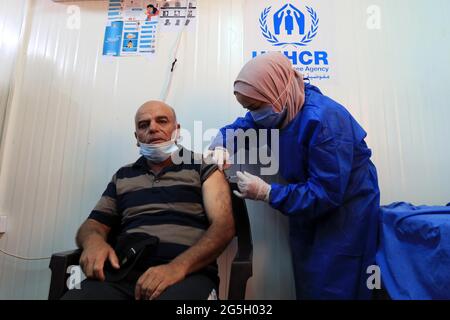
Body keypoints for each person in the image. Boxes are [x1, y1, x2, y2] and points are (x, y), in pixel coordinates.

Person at [209, 52, 380, 300]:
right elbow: (242, 126)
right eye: (247, 107)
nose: (252, 114)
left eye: (254, 107)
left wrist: (268, 192)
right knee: (310, 282)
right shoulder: (278, 106)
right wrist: (220, 146)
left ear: (275, 92)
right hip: (306, 209)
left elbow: (327, 193)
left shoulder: (323, 121)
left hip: (346, 213)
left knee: (338, 283)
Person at [62, 101, 235, 300]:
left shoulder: (203, 167)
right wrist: (93, 243)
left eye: (162, 121)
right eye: (143, 125)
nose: (153, 128)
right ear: (137, 138)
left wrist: (176, 268)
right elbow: (93, 225)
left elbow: (224, 226)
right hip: (123, 275)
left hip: (187, 274)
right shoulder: (123, 176)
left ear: (177, 130)